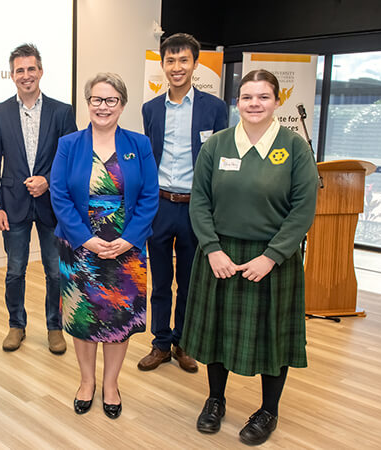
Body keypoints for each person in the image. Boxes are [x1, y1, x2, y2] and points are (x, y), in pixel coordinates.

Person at [180, 69, 318, 445]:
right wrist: (212, 249)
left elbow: (304, 208)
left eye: (263, 97)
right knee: (216, 335)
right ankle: (215, 400)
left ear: (277, 101)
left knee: (273, 340)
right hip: (220, 255)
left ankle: (268, 410)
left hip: (272, 259)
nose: (254, 104)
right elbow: (201, 202)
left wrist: (271, 256)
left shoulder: (293, 147)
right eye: (247, 97)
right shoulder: (217, 145)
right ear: (236, 102)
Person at [51, 73, 158, 419]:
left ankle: (110, 384)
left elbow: (149, 197)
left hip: (126, 250)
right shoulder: (69, 144)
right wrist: (87, 239)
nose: (103, 106)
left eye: (111, 100)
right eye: (97, 99)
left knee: (118, 320)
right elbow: (60, 195)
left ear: (122, 105)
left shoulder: (139, 144)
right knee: (84, 318)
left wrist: (128, 239)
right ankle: (86, 382)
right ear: (87, 103)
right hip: (80, 247)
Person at [138, 33, 228, 373]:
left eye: (183, 60)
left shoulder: (215, 109)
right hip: (159, 205)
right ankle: (160, 343)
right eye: (170, 61)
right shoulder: (150, 109)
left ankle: (183, 343)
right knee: (160, 281)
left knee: (190, 282)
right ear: (162, 66)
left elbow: (221, 161)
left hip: (196, 208)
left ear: (195, 64)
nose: (177, 67)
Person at [0, 43, 77, 354]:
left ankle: (55, 327)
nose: (26, 75)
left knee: (55, 271)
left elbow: (73, 160)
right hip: (12, 205)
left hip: (54, 207)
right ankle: (16, 325)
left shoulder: (62, 111)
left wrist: (49, 181)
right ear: (12, 75)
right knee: (15, 270)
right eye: (19, 70)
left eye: (31, 69)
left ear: (40, 71)